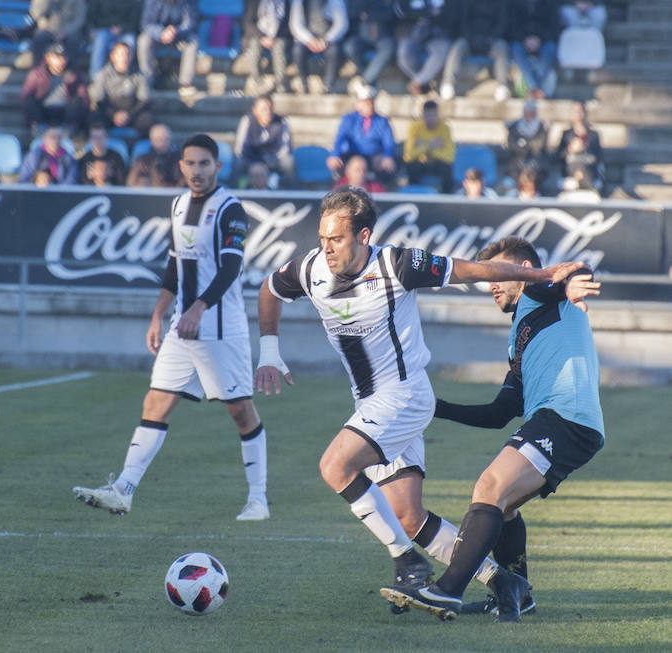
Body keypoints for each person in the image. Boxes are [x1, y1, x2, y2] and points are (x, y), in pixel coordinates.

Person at [255, 187, 588, 608]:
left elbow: (472, 270)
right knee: (407, 516)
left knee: (335, 465)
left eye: (336, 239)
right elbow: (270, 289)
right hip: (371, 403)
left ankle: (408, 565)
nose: (327, 249)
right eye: (322, 238)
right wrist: (268, 351)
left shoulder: (397, 264)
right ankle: (504, 582)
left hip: (404, 395)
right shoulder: (311, 269)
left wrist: (542, 276)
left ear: (363, 236)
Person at [380, 235, 603, 622]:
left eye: (501, 273)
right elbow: (501, 412)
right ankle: (517, 594)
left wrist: (574, 279)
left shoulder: (539, 295)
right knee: (504, 508)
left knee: (488, 487)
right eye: (490, 276)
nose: (492, 283)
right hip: (560, 423)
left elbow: (565, 277)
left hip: (565, 419)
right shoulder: (519, 337)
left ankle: (445, 591)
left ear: (525, 271)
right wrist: (436, 408)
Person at [74, 133, 271, 522]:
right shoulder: (178, 205)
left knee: (240, 412)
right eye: (190, 164)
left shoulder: (230, 209)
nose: (197, 171)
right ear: (180, 166)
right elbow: (174, 265)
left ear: (217, 166)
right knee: (156, 402)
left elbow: (231, 268)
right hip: (182, 327)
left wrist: (197, 309)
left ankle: (258, 500)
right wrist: (157, 314)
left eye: (204, 164)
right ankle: (123, 491)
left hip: (219, 327)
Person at [440, 0, 510, 102]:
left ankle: (503, 86)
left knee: (502, 46)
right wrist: (472, 38)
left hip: (491, 41)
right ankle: (448, 84)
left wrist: (491, 38)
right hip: (470, 40)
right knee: (458, 46)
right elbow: (463, 23)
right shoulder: (468, 2)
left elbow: (502, 24)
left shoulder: (500, 3)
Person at [326, 85, 396, 184]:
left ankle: (379, 189)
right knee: (341, 163)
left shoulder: (382, 121)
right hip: (352, 154)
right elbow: (340, 138)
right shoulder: (349, 119)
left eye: (371, 103)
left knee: (386, 165)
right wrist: (335, 154)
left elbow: (389, 142)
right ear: (359, 104)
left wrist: (387, 156)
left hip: (373, 156)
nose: (370, 106)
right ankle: (341, 188)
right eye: (367, 103)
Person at [19, 43, 89, 137]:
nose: (61, 61)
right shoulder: (36, 74)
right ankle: (39, 127)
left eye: (63, 58)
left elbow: (84, 97)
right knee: (28, 99)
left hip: (65, 112)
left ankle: (68, 128)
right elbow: (24, 97)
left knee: (78, 100)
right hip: (44, 111)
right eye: (57, 57)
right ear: (48, 57)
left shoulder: (73, 74)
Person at [395, 0, 459, 95]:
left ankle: (417, 83)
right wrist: (423, 15)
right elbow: (400, 11)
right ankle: (424, 82)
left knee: (442, 50)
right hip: (413, 34)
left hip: (438, 35)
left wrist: (435, 16)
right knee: (404, 51)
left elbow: (455, 14)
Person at [89, 42, 153, 137]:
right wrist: (114, 115)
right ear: (113, 56)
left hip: (132, 112)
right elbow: (99, 101)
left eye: (127, 55)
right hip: (110, 112)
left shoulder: (140, 75)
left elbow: (144, 100)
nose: (124, 58)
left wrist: (128, 115)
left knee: (148, 120)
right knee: (95, 117)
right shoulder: (102, 75)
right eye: (121, 55)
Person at [137, 0, 199, 97]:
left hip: (178, 36)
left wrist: (176, 31)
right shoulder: (152, 2)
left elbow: (190, 23)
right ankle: (146, 81)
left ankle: (185, 84)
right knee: (143, 40)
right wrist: (161, 32)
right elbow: (146, 24)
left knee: (193, 42)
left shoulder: (188, 2)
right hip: (157, 36)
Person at [233, 95, 294, 188]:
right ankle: (236, 191)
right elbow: (240, 148)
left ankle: (290, 195)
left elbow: (285, 148)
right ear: (255, 110)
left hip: (274, 160)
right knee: (238, 163)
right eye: (263, 109)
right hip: (251, 160)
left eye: (270, 108)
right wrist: (256, 163)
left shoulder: (282, 121)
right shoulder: (247, 121)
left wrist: (270, 162)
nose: (267, 112)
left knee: (289, 162)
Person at [289, 0, 348, 94]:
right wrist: (310, 40)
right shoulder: (299, 2)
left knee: (334, 52)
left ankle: (328, 85)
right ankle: (304, 83)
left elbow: (342, 24)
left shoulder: (336, 1)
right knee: (297, 51)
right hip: (307, 40)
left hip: (329, 39)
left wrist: (326, 39)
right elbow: (295, 25)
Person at [507, 0, 561, 99]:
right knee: (515, 48)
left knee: (551, 48)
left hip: (544, 41)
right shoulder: (514, 3)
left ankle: (532, 88)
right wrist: (524, 40)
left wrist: (539, 40)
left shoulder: (550, 3)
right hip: (521, 41)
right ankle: (536, 88)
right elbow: (511, 26)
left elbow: (554, 27)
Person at [342, 0, 397, 91]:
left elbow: (392, 14)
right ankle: (369, 77)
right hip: (362, 37)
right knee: (350, 47)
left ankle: (365, 81)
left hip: (383, 37)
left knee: (389, 49)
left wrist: (370, 15)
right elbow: (353, 13)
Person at [403, 99, 455, 193]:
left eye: (433, 115)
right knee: (412, 167)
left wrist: (423, 147)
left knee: (447, 169)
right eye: (428, 115)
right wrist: (430, 146)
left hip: (437, 164)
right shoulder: (414, 128)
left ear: (437, 115)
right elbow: (408, 156)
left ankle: (446, 201)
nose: (431, 118)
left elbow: (449, 157)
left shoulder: (444, 128)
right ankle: (414, 197)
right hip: (421, 163)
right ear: (423, 115)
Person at [555, 100, 604, 194]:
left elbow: (598, 157)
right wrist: (570, 149)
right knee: (575, 165)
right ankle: (588, 187)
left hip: (588, 169)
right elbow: (558, 157)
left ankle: (583, 181)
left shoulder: (593, 135)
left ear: (585, 113)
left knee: (581, 169)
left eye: (580, 111)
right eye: (575, 111)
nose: (578, 114)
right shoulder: (566, 134)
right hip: (570, 170)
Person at [242, 0, 289, 95]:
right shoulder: (254, 2)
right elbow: (248, 23)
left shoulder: (285, 3)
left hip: (278, 36)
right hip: (257, 35)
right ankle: (257, 82)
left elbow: (287, 25)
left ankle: (280, 84)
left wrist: (273, 37)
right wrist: (262, 37)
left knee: (279, 47)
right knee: (255, 45)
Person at [86, 0, 140, 79]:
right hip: (105, 30)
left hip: (126, 31)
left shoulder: (132, 2)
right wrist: (94, 29)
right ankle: (95, 77)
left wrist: (122, 28)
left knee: (131, 41)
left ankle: (129, 76)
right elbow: (92, 16)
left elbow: (135, 19)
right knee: (100, 40)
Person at [125, 123, 183, 188]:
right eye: (158, 140)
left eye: (165, 139)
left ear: (170, 141)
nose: (162, 143)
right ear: (152, 141)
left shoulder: (178, 159)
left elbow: (183, 181)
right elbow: (131, 182)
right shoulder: (142, 160)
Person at [505, 99, 549, 184]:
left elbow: (539, 145)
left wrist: (523, 143)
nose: (529, 114)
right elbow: (512, 145)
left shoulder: (541, 128)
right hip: (517, 161)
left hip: (536, 161)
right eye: (527, 111)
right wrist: (526, 145)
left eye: (531, 112)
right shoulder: (514, 127)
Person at [28, 0, 86, 65]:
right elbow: (36, 15)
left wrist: (65, 32)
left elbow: (79, 20)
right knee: (39, 39)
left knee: (74, 41)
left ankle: (71, 70)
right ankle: (37, 68)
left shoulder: (78, 2)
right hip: (48, 29)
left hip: (68, 31)